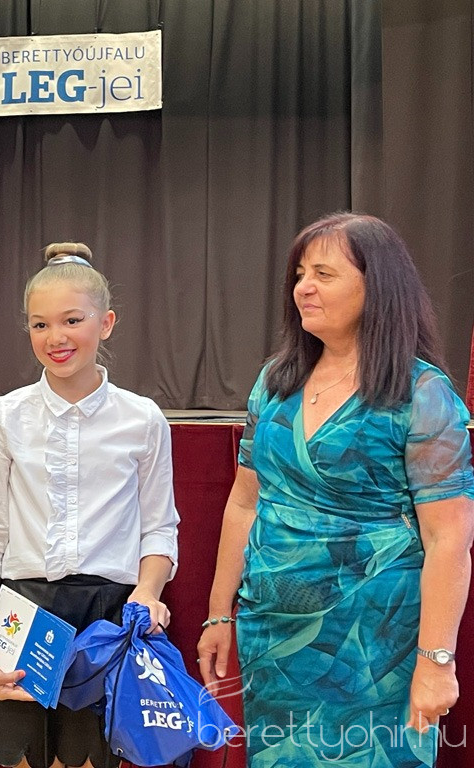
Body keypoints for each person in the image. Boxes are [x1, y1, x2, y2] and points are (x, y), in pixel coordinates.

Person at [196, 212, 474, 767]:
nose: (304, 287)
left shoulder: (421, 393)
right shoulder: (274, 382)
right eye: (300, 274)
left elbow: (449, 540)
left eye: (324, 274)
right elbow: (245, 502)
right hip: (274, 637)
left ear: (378, 286)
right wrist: (219, 613)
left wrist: (436, 661)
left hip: (375, 647)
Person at [0, 243, 180, 768]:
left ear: (106, 323)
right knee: (17, 756)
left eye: (72, 320)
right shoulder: (5, 417)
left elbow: (159, 528)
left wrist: (147, 593)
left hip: (107, 618)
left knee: (89, 759)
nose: (55, 337)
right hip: (23, 615)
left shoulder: (143, 419)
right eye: (40, 325)